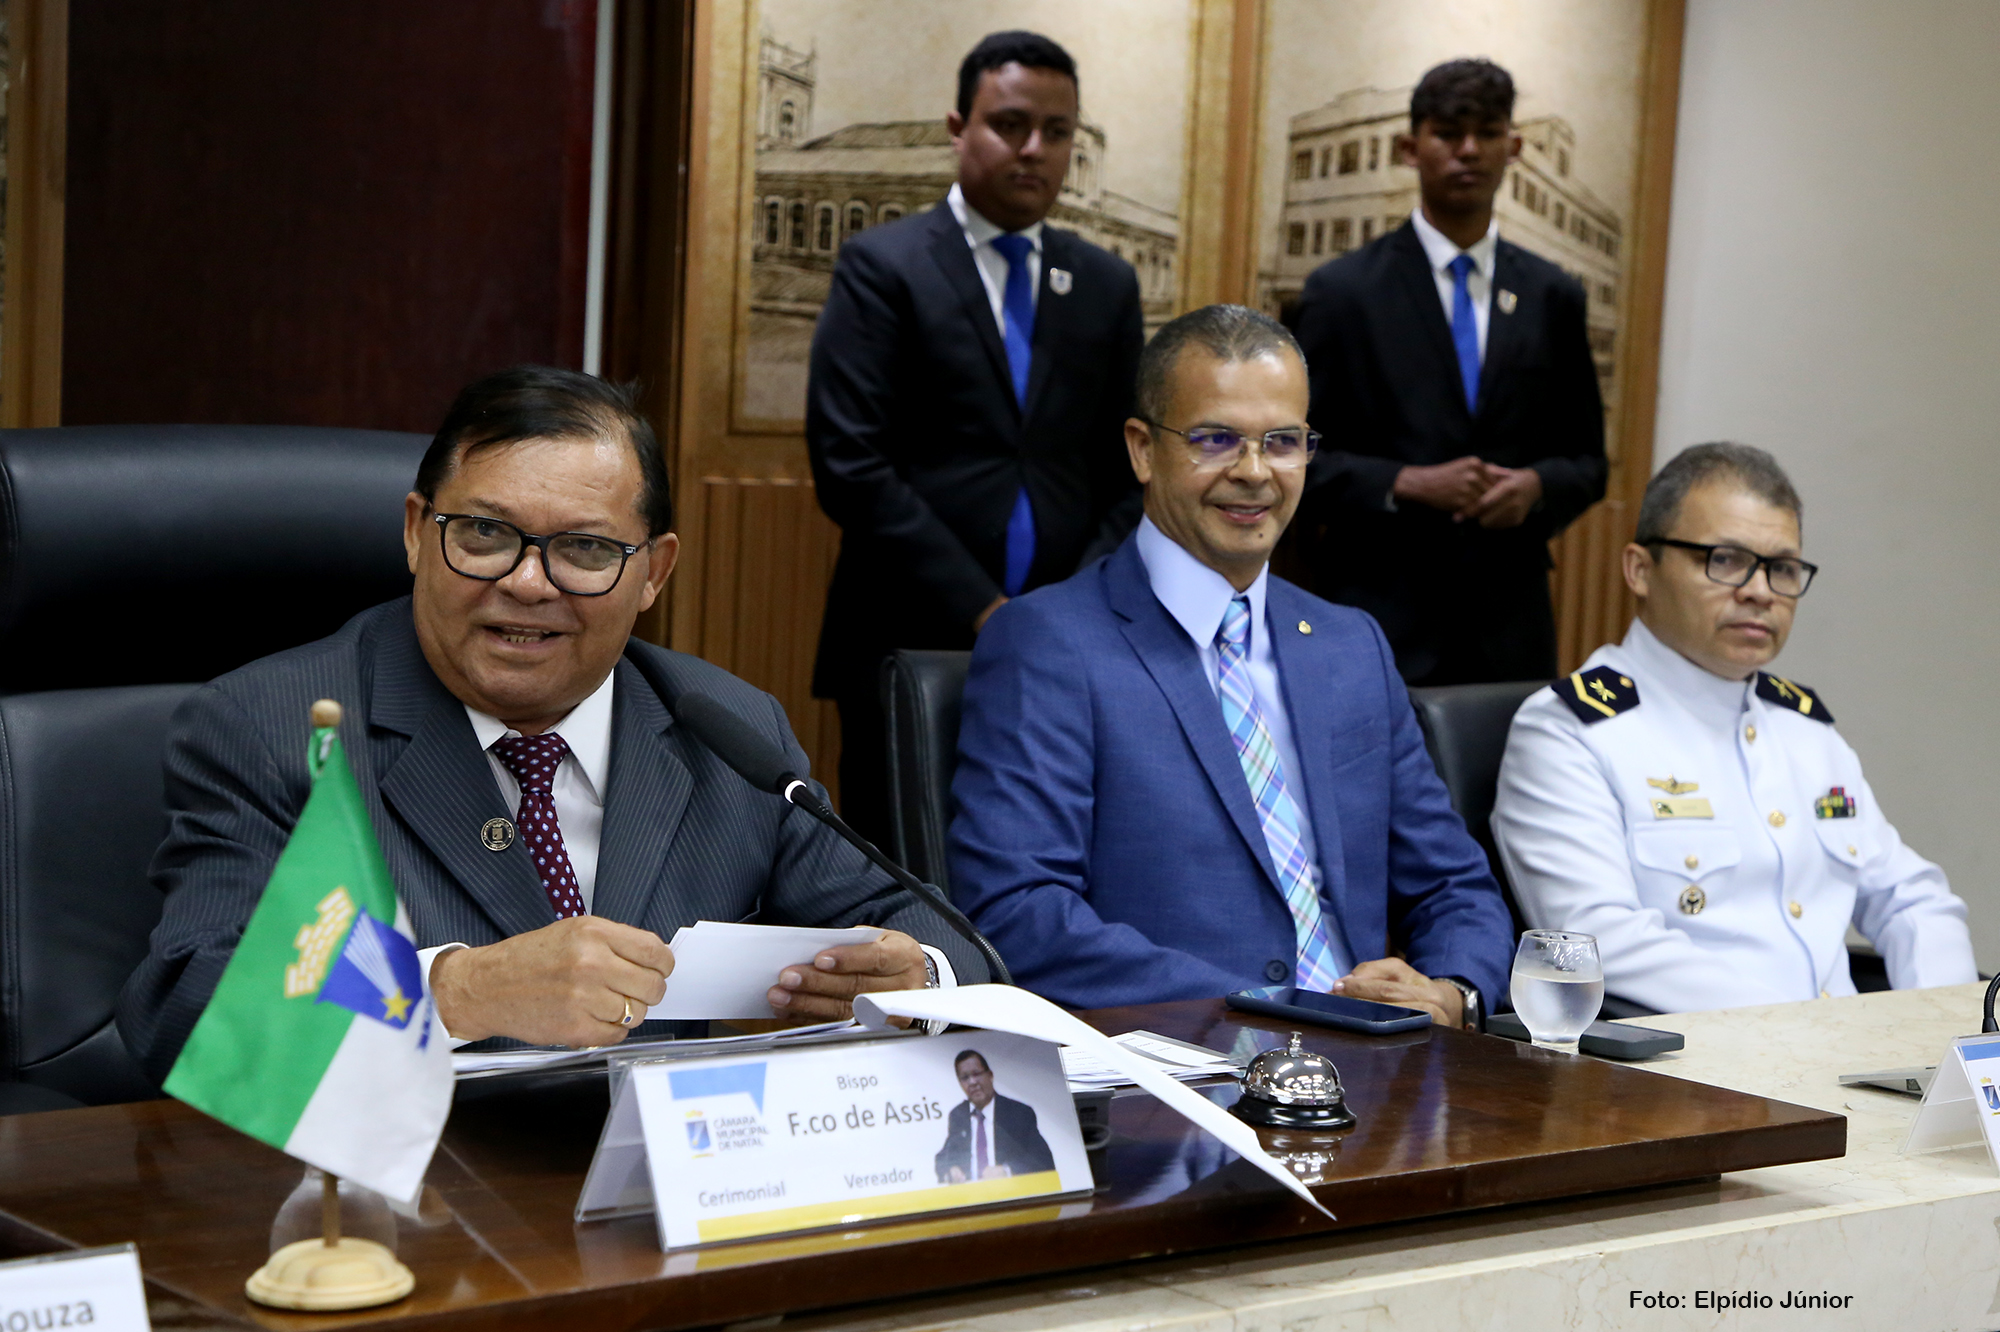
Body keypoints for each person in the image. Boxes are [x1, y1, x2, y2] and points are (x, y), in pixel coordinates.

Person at [119, 368, 984, 1084]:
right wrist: (457, 991)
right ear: (417, 532)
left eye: (585, 550)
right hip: (409, 1198)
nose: (528, 583)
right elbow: (193, 1008)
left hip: (666, 1192)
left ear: (653, 572)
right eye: (485, 533)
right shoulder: (276, 727)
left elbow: (943, 938)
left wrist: (917, 975)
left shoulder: (724, 728)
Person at [948, 304, 1513, 1025]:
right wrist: (1267, 1013)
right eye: (1216, 439)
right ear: (1142, 450)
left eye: (1283, 442)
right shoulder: (1048, 644)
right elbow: (1018, 912)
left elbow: (1455, 886)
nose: (1254, 472)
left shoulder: (1350, 645)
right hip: (1186, 1064)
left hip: (1379, 1065)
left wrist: (1455, 993)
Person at [1492, 443, 1976, 1012]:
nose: (1760, 591)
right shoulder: (1570, 731)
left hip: (1848, 1051)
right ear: (1640, 570)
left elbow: (1910, 897)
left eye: (1782, 569)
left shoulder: (1804, 730)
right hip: (1699, 1057)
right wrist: (1812, 1033)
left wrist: (1942, 1028)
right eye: (1724, 560)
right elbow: (1602, 941)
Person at [808, 30, 1144, 845]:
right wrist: (984, 609)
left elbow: (1132, 468)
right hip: (909, 632)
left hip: (1069, 643)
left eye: (1056, 132)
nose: (1034, 150)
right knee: (904, 867)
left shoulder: (1105, 283)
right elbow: (851, 462)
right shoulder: (884, 265)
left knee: (1052, 859)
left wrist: (1071, 609)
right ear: (959, 127)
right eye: (1010, 124)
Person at [1290, 58, 1605, 686]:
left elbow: (1588, 461)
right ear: (1411, 148)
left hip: (1509, 628)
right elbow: (1294, 455)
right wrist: (1404, 482)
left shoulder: (1553, 296)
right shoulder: (1342, 293)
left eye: (1487, 133)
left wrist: (1535, 487)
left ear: (1513, 148)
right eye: (1448, 133)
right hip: (1377, 616)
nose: (1469, 151)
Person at [933, 1049, 1054, 1184]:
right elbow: (943, 1157)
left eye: (976, 1074)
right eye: (965, 1078)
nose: (972, 1082)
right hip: (971, 1193)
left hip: (1010, 1191)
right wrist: (951, 1169)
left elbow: (1043, 1160)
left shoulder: (1018, 1112)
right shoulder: (958, 1115)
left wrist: (1007, 1171)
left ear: (990, 1075)